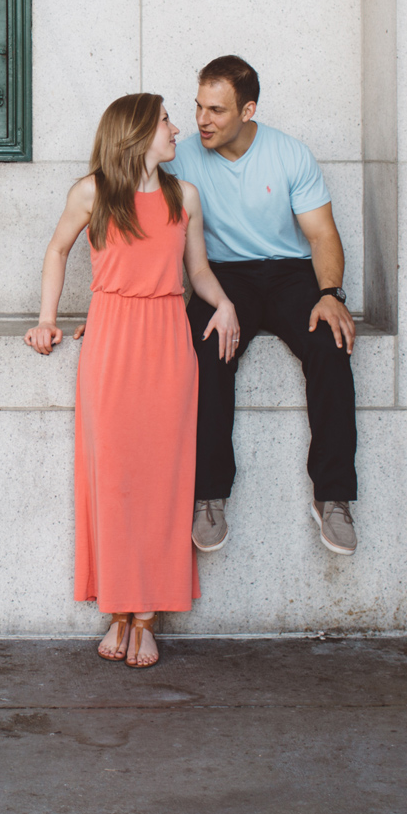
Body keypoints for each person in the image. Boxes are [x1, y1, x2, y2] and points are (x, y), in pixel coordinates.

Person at [26, 94, 240, 669]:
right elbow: (57, 250)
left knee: (164, 481)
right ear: (139, 132)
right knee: (113, 478)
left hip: (168, 344)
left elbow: (196, 270)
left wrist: (224, 305)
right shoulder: (93, 192)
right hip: (112, 343)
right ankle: (118, 607)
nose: (177, 130)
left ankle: (146, 616)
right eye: (167, 120)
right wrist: (47, 320)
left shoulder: (183, 196)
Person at [167, 55, 360, 556]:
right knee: (207, 350)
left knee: (330, 345)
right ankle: (209, 494)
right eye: (197, 108)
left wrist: (330, 294)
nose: (202, 120)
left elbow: (321, 235)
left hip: (290, 272)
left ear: (248, 110)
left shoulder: (290, 154)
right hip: (223, 277)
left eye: (217, 110)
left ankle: (334, 497)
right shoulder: (183, 158)